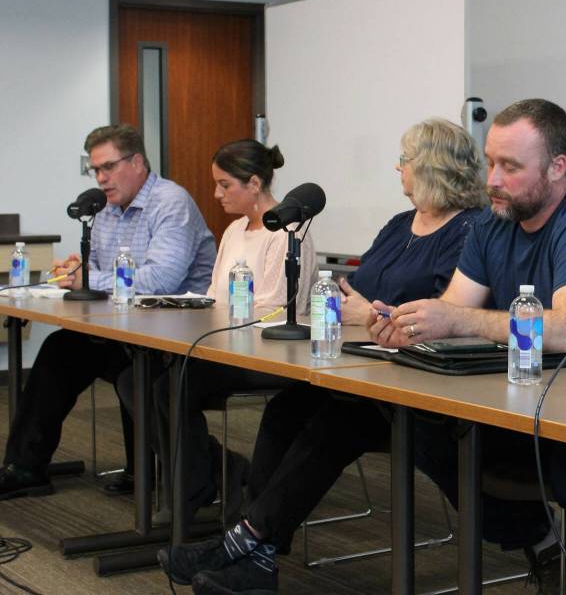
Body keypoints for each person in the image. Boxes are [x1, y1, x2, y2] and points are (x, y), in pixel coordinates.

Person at [157, 118, 487, 595]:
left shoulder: (469, 231)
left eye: (405, 160)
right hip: (366, 363)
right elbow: (359, 288)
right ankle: (257, 553)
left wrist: (368, 310)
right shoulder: (400, 225)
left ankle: (242, 544)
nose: (398, 168)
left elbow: (437, 313)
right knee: (286, 409)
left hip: (419, 384)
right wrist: (369, 310)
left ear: (432, 167)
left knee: (334, 424)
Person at [370, 99, 566, 595]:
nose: (491, 179)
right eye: (490, 161)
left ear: (557, 168)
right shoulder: (494, 223)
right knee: (424, 430)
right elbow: (454, 314)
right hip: (544, 402)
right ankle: (539, 541)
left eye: (510, 167)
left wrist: (454, 318)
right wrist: (409, 324)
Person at [0, 123, 216, 500]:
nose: (100, 178)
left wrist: (90, 277)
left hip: (178, 333)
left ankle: (177, 470)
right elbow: (98, 269)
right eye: (94, 170)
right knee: (59, 350)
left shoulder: (170, 202)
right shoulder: (105, 210)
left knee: (134, 371)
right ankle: (24, 466)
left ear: (136, 162)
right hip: (126, 327)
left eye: (108, 167)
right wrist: (77, 271)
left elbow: (160, 280)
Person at [116, 139, 317, 523]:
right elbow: (214, 296)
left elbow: (274, 310)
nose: (216, 193)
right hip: (221, 345)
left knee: (169, 387)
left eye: (225, 185)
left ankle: (191, 492)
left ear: (254, 183)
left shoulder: (288, 233)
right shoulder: (233, 231)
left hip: (264, 353)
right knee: (132, 381)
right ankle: (216, 470)